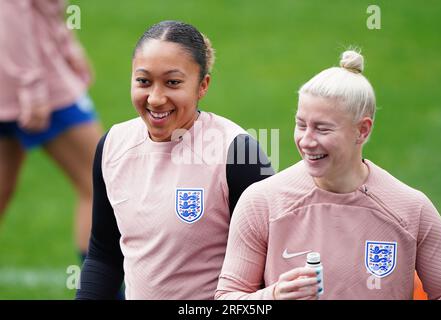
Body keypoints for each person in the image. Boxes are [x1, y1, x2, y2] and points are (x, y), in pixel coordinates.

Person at [215, 50, 441, 300]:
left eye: (322, 129)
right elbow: (228, 299)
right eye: (301, 124)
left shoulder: (411, 209)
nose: (306, 141)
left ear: (362, 130)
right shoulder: (261, 202)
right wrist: (273, 297)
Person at [75, 20, 274, 300]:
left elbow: (271, 263)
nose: (155, 98)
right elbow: (104, 255)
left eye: (173, 83)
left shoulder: (237, 153)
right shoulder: (112, 145)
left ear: (202, 86)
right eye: (144, 81)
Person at [0, 1, 103, 262]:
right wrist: (31, 86)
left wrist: (68, 46)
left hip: (18, 75)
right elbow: (9, 11)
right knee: (102, 183)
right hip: (32, 81)